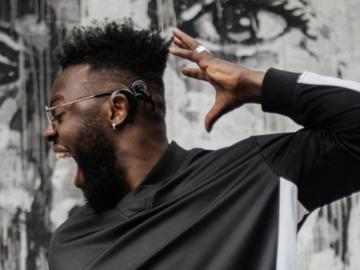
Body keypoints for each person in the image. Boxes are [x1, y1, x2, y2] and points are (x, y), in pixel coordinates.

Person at [42, 20, 360, 270]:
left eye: (58, 114)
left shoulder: (257, 175)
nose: (49, 132)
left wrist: (259, 84)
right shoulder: (72, 244)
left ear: (117, 109)